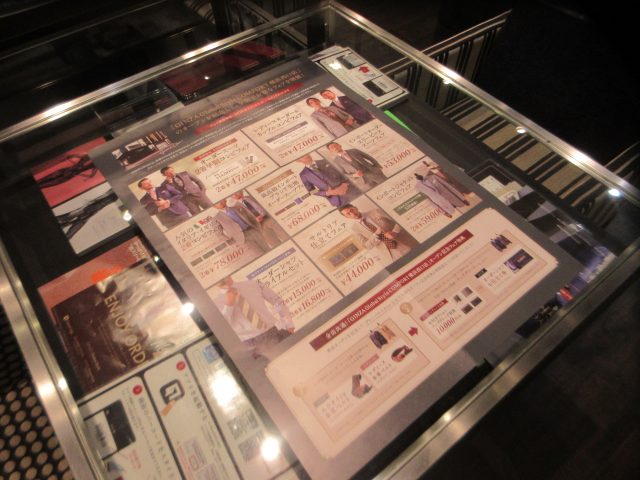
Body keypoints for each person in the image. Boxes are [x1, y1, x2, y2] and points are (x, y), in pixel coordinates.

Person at [212, 276, 294, 355]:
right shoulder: (214, 304)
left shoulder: (254, 284)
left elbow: (277, 302)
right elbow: (223, 329)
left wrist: (289, 325)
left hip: (275, 332)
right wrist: (229, 305)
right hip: (250, 345)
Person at [339, 203, 415, 261]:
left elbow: (399, 218)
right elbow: (367, 246)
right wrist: (376, 235)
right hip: (391, 255)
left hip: (406, 242)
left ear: (355, 208)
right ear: (346, 217)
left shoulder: (376, 211)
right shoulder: (355, 229)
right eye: (348, 213)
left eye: (352, 210)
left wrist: (395, 232)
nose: (352, 213)